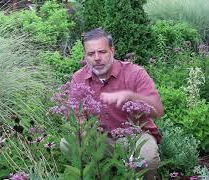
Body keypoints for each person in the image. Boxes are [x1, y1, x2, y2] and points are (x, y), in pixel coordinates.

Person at [61, 28, 164, 179]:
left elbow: (158, 111)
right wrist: (83, 130)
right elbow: (76, 114)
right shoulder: (79, 78)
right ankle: (98, 173)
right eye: (91, 54)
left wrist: (130, 96)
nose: (97, 58)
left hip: (134, 137)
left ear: (112, 50)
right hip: (100, 139)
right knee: (67, 143)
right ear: (85, 56)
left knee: (147, 159)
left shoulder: (135, 73)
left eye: (102, 52)